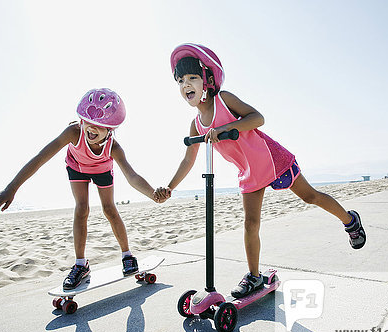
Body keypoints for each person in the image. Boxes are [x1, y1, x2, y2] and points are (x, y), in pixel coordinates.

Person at [156, 43, 366, 299]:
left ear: (207, 80)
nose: (185, 84)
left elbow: (258, 118)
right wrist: (170, 187)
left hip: (270, 158)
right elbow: (188, 161)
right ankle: (255, 277)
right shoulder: (196, 124)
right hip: (249, 172)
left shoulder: (225, 100)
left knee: (310, 196)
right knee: (250, 223)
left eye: (192, 78)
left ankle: (350, 220)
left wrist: (224, 129)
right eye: (180, 81)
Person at [0, 88, 163, 289]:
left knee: (109, 209)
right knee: (81, 209)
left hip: (102, 169)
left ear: (111, 129)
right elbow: (40, 158)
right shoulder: (73, 132)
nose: (91, 128)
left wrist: (153, 194)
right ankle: (81, 264)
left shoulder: (114, 147)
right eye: (88, 121)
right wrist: (11, 188)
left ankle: (127, 255)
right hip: (76, 167)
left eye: (99, 125)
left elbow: (132, 176)